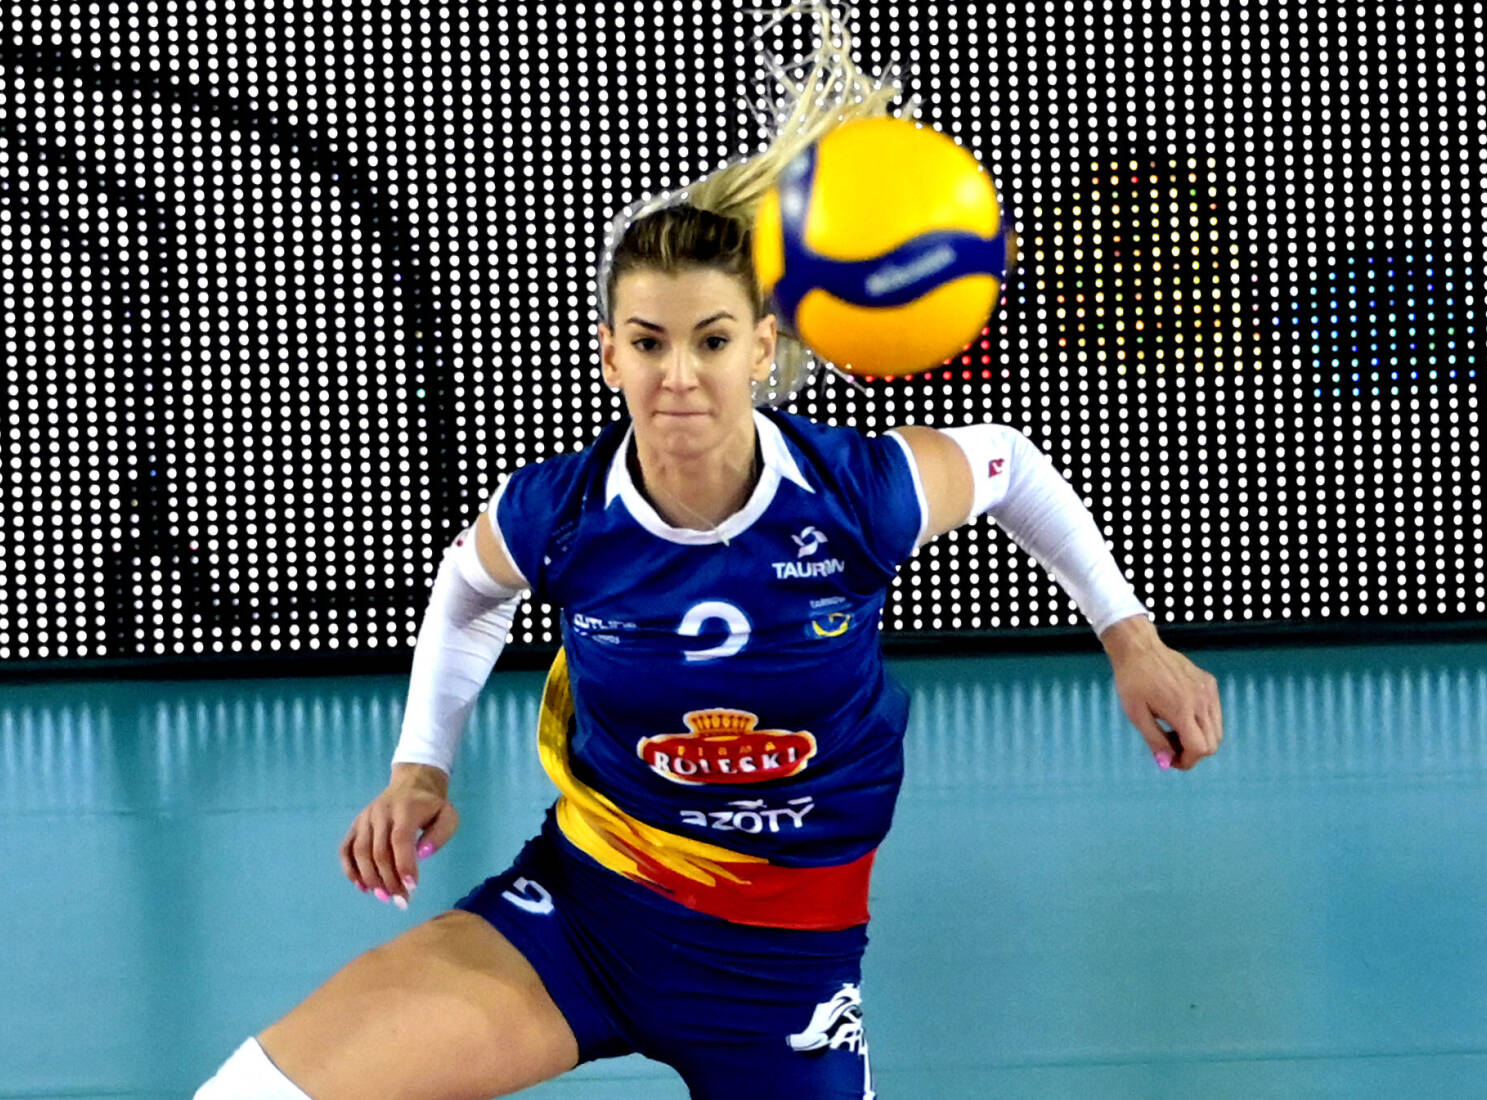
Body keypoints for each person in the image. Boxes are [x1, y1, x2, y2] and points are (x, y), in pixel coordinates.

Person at [194, 6, 1223, 1098]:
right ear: (609, 355)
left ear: (762, 347)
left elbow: (1010, 464)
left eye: (712, 340)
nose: (678, 374)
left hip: (782, 970)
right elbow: (466, 590)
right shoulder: (564, 510)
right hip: (580, 922)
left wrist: (1133, 639)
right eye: (648, 342)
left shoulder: (852, 493)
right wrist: (419, 770)